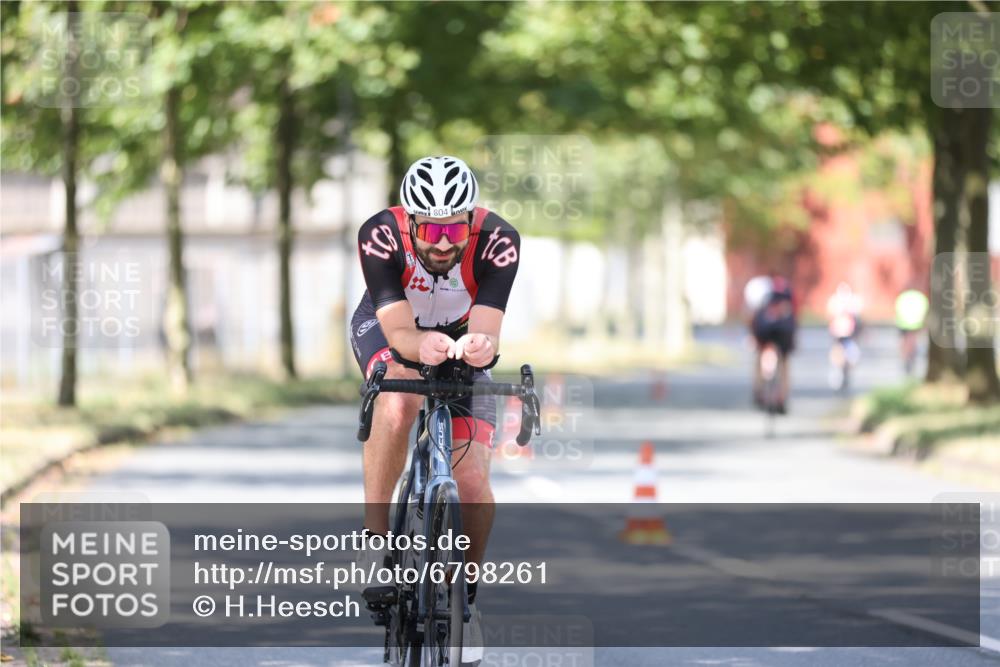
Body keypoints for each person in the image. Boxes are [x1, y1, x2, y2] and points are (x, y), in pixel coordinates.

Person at [351, 155, 520, 665]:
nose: (443, 243)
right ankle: (377, 543)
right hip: (391, 329)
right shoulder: (379, 235)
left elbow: (488, 333)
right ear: (410, 223)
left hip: (460, 336)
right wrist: (418, 345)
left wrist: (479, 349)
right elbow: (401, 332)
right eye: (431, 230)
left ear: (471, 221)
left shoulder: (499, 240)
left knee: (472, 482)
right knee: (398, 401)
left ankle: (464, 598)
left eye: (454, 229)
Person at [748, 271, 797, 413]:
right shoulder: (786, 292)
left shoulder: (763, 291)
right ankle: (780, 396)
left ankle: (759, 391)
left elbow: (754, 319)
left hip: (768, 333)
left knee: (762, 359)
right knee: (783, 363)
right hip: (777, 334)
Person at [825, 282, 863, 390]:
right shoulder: (835, 301)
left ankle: (845, 372)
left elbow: (857, 318)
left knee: (850, 354)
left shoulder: (852, 302)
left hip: (848, 332)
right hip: (838, 332)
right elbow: (830, 316)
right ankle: (839, 371)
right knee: (838, 352)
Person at [895, 287, 929, 376]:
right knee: (913, 340)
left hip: (903, 323)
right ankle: (911, 354)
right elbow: (925, 310)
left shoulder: (902, 296)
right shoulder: (921, 297)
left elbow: (897, 309)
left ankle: (905, 356)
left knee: (904, 341)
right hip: (916, 323)